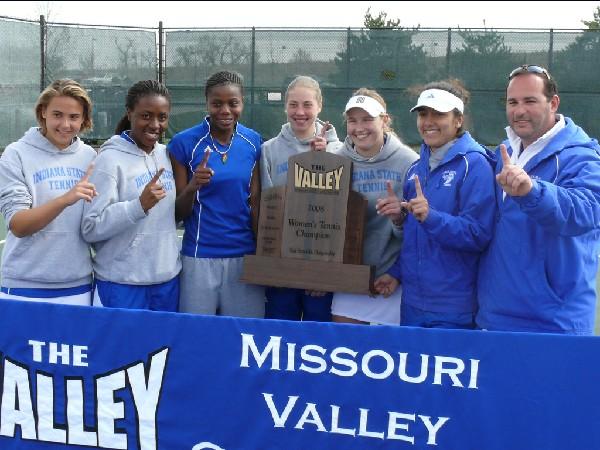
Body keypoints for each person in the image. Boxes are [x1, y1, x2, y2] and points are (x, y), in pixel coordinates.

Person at [477, 65, 600, 335]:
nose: (519, 111)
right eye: (513, 102)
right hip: (495, 316)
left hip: (554, 322)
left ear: (553, 103)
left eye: (530, 101)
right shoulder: (505, 150)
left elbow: (588, 212)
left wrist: (533, 191)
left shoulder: (583, 156)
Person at [374, 80, 496, 329]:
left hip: (454, 308)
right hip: (412, 304)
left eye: (438, 114)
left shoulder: (475, 165)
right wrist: (396, 272)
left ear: (458, 120)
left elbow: (478, 234)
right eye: (423, 113)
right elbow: (415, 237)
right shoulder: (415, 169)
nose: (428, 121)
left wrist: (431, 217)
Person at [168, 71, 265, 318]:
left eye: (233, 103)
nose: (225, 110)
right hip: (199, 256)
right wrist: (193, 186)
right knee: (197, 338)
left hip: (245, 257)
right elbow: (177, 213)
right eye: (217, 103)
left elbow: (255, 202)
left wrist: (263, 253)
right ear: (207, 103)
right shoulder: (184, 143)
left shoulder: (253, 142)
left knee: (244, 338)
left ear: (242, 102)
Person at [81, 80, 181, 311]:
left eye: (162, 117)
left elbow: (170, 217)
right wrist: (137, 206)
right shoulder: (108, 160)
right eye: (146, 116)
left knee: (162, 348)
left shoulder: (167, 155)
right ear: (129, 113)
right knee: (120, 348)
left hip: (167, 281)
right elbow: (91, 227)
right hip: (121, 284)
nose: (155, 124)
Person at [0, 79, 97, 305]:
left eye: (74, 117)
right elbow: (18, 225)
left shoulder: (90, 157)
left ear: (83, 119)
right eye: (57, 114)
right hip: (23, 286)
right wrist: (65, 199)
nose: (65, 124)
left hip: (78, 286)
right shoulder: (16, 154)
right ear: (43, 112)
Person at [331, 88, 417, 325]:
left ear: (385, 120)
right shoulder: (336, 162)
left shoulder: (409, 162)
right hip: (349, 279)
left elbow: (419, 229)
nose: (360, 128)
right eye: (352, 121)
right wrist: (321, 272)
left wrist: (399, 218)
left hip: (392, 278)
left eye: (368, 119)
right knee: (346, 353)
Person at [260, 75, 342, 322]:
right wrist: (280, 266)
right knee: (280, 339)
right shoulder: (269, 150)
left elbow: (341, 214)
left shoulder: (340, 150)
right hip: (283, 269)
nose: (300, 112)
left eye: (307, 104)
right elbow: (268, 213)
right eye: (293, 104)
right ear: (285, 106)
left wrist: (322, 271)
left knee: (318, 344)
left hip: (321, 271)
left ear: (319, 106)